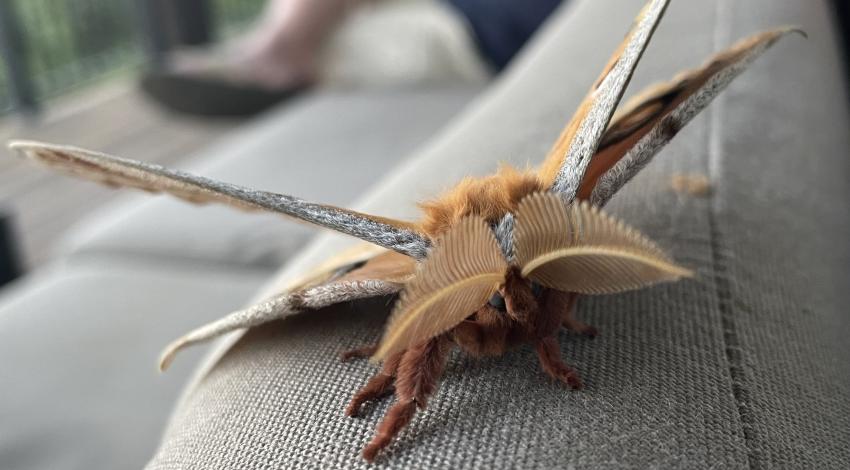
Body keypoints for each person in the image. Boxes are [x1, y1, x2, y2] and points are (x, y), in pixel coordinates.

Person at [142, 0, 564, 116]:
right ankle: (271, 47)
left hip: (477, 36)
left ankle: (277, 56)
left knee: (339, 42)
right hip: (467, 15)